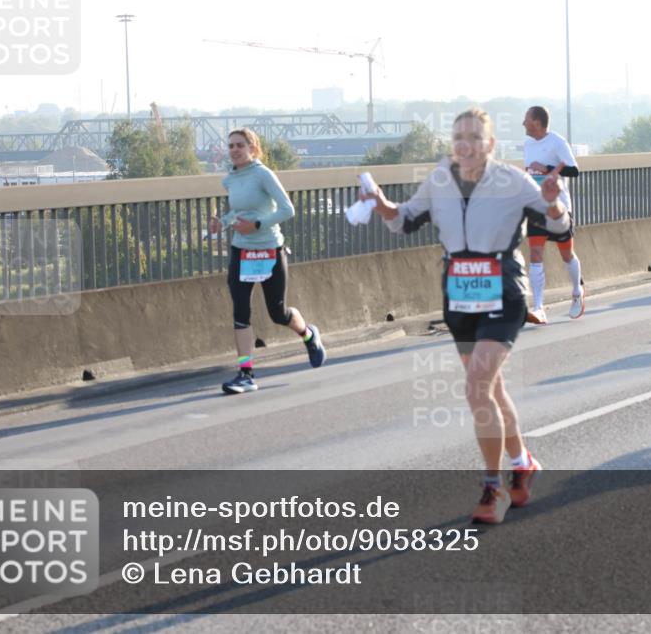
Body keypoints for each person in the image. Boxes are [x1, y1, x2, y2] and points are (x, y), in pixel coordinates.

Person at [364, 108, 569, 524]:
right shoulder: (440, 179)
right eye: (459, 137)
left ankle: (493, 489)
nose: (466, 144)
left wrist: (552, 205)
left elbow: (560, 226)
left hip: (502, 291)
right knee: (487, 389)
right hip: (458, 296)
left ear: (490, 145)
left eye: (476, 137)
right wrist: (383, 205)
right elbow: (405, 220)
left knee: (477, 387)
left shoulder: (512, 181)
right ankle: (523, 462)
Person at [210, 128, 326, 394]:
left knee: (278, 313)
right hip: (242, 251)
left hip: (269, 250)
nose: (235, 150)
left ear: (253, 147)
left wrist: (258, 225)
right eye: (231, 146)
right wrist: (222, 223)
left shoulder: (263, 174)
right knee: (240, 312)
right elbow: (238, 213)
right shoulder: (230, 180)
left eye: (240, 145)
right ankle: (246, 373)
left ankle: (308, 334)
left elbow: (287, 209)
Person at [522, 106, 584, 323]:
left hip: (559, 207)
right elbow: (531, 173)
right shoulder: (528, 144)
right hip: (537, 207)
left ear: (537, 122)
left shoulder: (557, 142)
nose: (523, 123)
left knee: (566, 255)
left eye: (526, 120)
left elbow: (574, 170)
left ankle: (577, 291)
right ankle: (539, 307)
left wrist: (547, 168)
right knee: (535, 255)